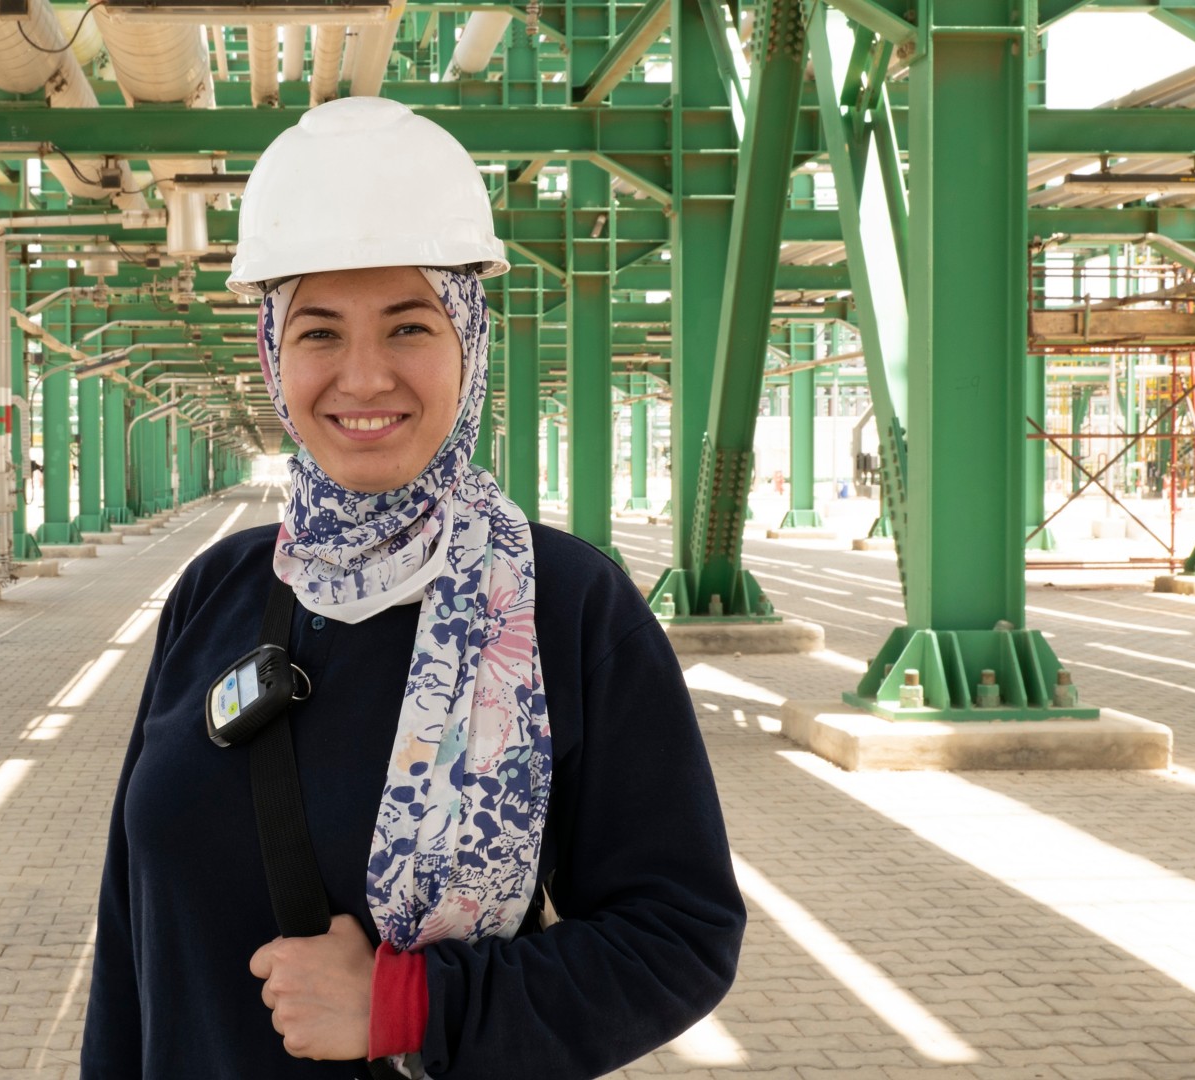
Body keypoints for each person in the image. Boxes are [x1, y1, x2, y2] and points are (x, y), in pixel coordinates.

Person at [82, 96, 744, 1079]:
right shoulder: (219, 589)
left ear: (467, 341)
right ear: (273, 352)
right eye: (317, 332)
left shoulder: (561, 606)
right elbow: (130, 928)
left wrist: (408, 1005)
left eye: (407, 326)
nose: (362, 376)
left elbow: (678, 937)